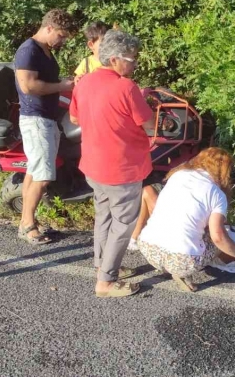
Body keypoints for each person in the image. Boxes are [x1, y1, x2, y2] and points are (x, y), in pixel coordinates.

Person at [69, 29, 154, 298]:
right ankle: (106, 281)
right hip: (122, 168)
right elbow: (149, 125)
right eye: (132, 58)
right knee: (123, 223)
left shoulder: (84, 83)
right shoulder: (126, 87)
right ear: (115, 59)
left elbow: (74, 119)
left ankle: (102, 265)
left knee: (103, 216)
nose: (135, 62)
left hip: (93, 165)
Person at [136, 147, 235, 292]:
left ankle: (167, 264)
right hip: (181, 261)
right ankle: (184, 272)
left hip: (148, 249)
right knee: (222, 235)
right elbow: (218, 237)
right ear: (224, 172)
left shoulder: (177, 175)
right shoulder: (216, 194)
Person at [14, 9, 78, 245]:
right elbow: (28, 85)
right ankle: (28, 225)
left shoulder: (45, 51)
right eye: (60, 35)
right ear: (49, 28)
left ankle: (27, 221)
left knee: (34, 171)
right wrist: (64, 85)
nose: (61, 41)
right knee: (43, 176)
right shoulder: (28, 50)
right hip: (35, 119)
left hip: (45, 118)